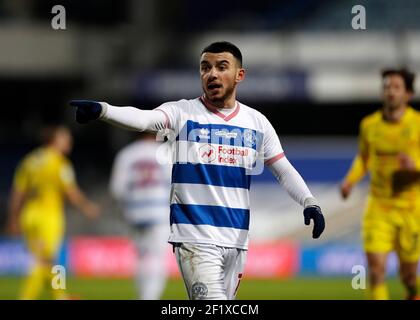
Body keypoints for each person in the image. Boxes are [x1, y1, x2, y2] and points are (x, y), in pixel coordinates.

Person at [69, 41, 325, 300]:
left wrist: (309, 202)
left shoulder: (257, 123)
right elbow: (143, 119)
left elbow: (282, 169)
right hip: (195, 237)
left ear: (240, 75)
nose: (211, 74)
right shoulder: (182, 113)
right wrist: (103, 110)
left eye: (221, 67)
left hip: (236, 239)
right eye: (205, 67)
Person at [340, 68, 420, 300]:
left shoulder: (417, 124)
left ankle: (413, 292)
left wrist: (414, 167)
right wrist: (350, 181)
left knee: (409, 277)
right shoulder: (369, 125)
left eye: (396, 87)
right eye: (387, 87)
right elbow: (364, 159)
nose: (390, 92)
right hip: (379, 207)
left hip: (411, 210)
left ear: (408, 94)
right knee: (376, 271)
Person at [6, 125, 100, 300]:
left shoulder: (30, 160)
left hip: (29, 215)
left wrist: (13, 217)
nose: (69, 141)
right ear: (54, 140)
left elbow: (18, 191)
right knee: (44, 261)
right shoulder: (59, 162)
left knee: (46, 260)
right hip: (48, 216)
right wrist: (88, 207)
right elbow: (71, 192)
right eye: (65, 138)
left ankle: (60, 295)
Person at [109, 132, 171, 300]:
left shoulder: (126, 154)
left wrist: (125, 210)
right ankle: (150, 296)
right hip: (159, 212)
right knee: (157, 257)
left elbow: (117, 189)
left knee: (141, 257)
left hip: (134, 212)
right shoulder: (165, 152)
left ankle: (143, 294)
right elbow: (175, 185)